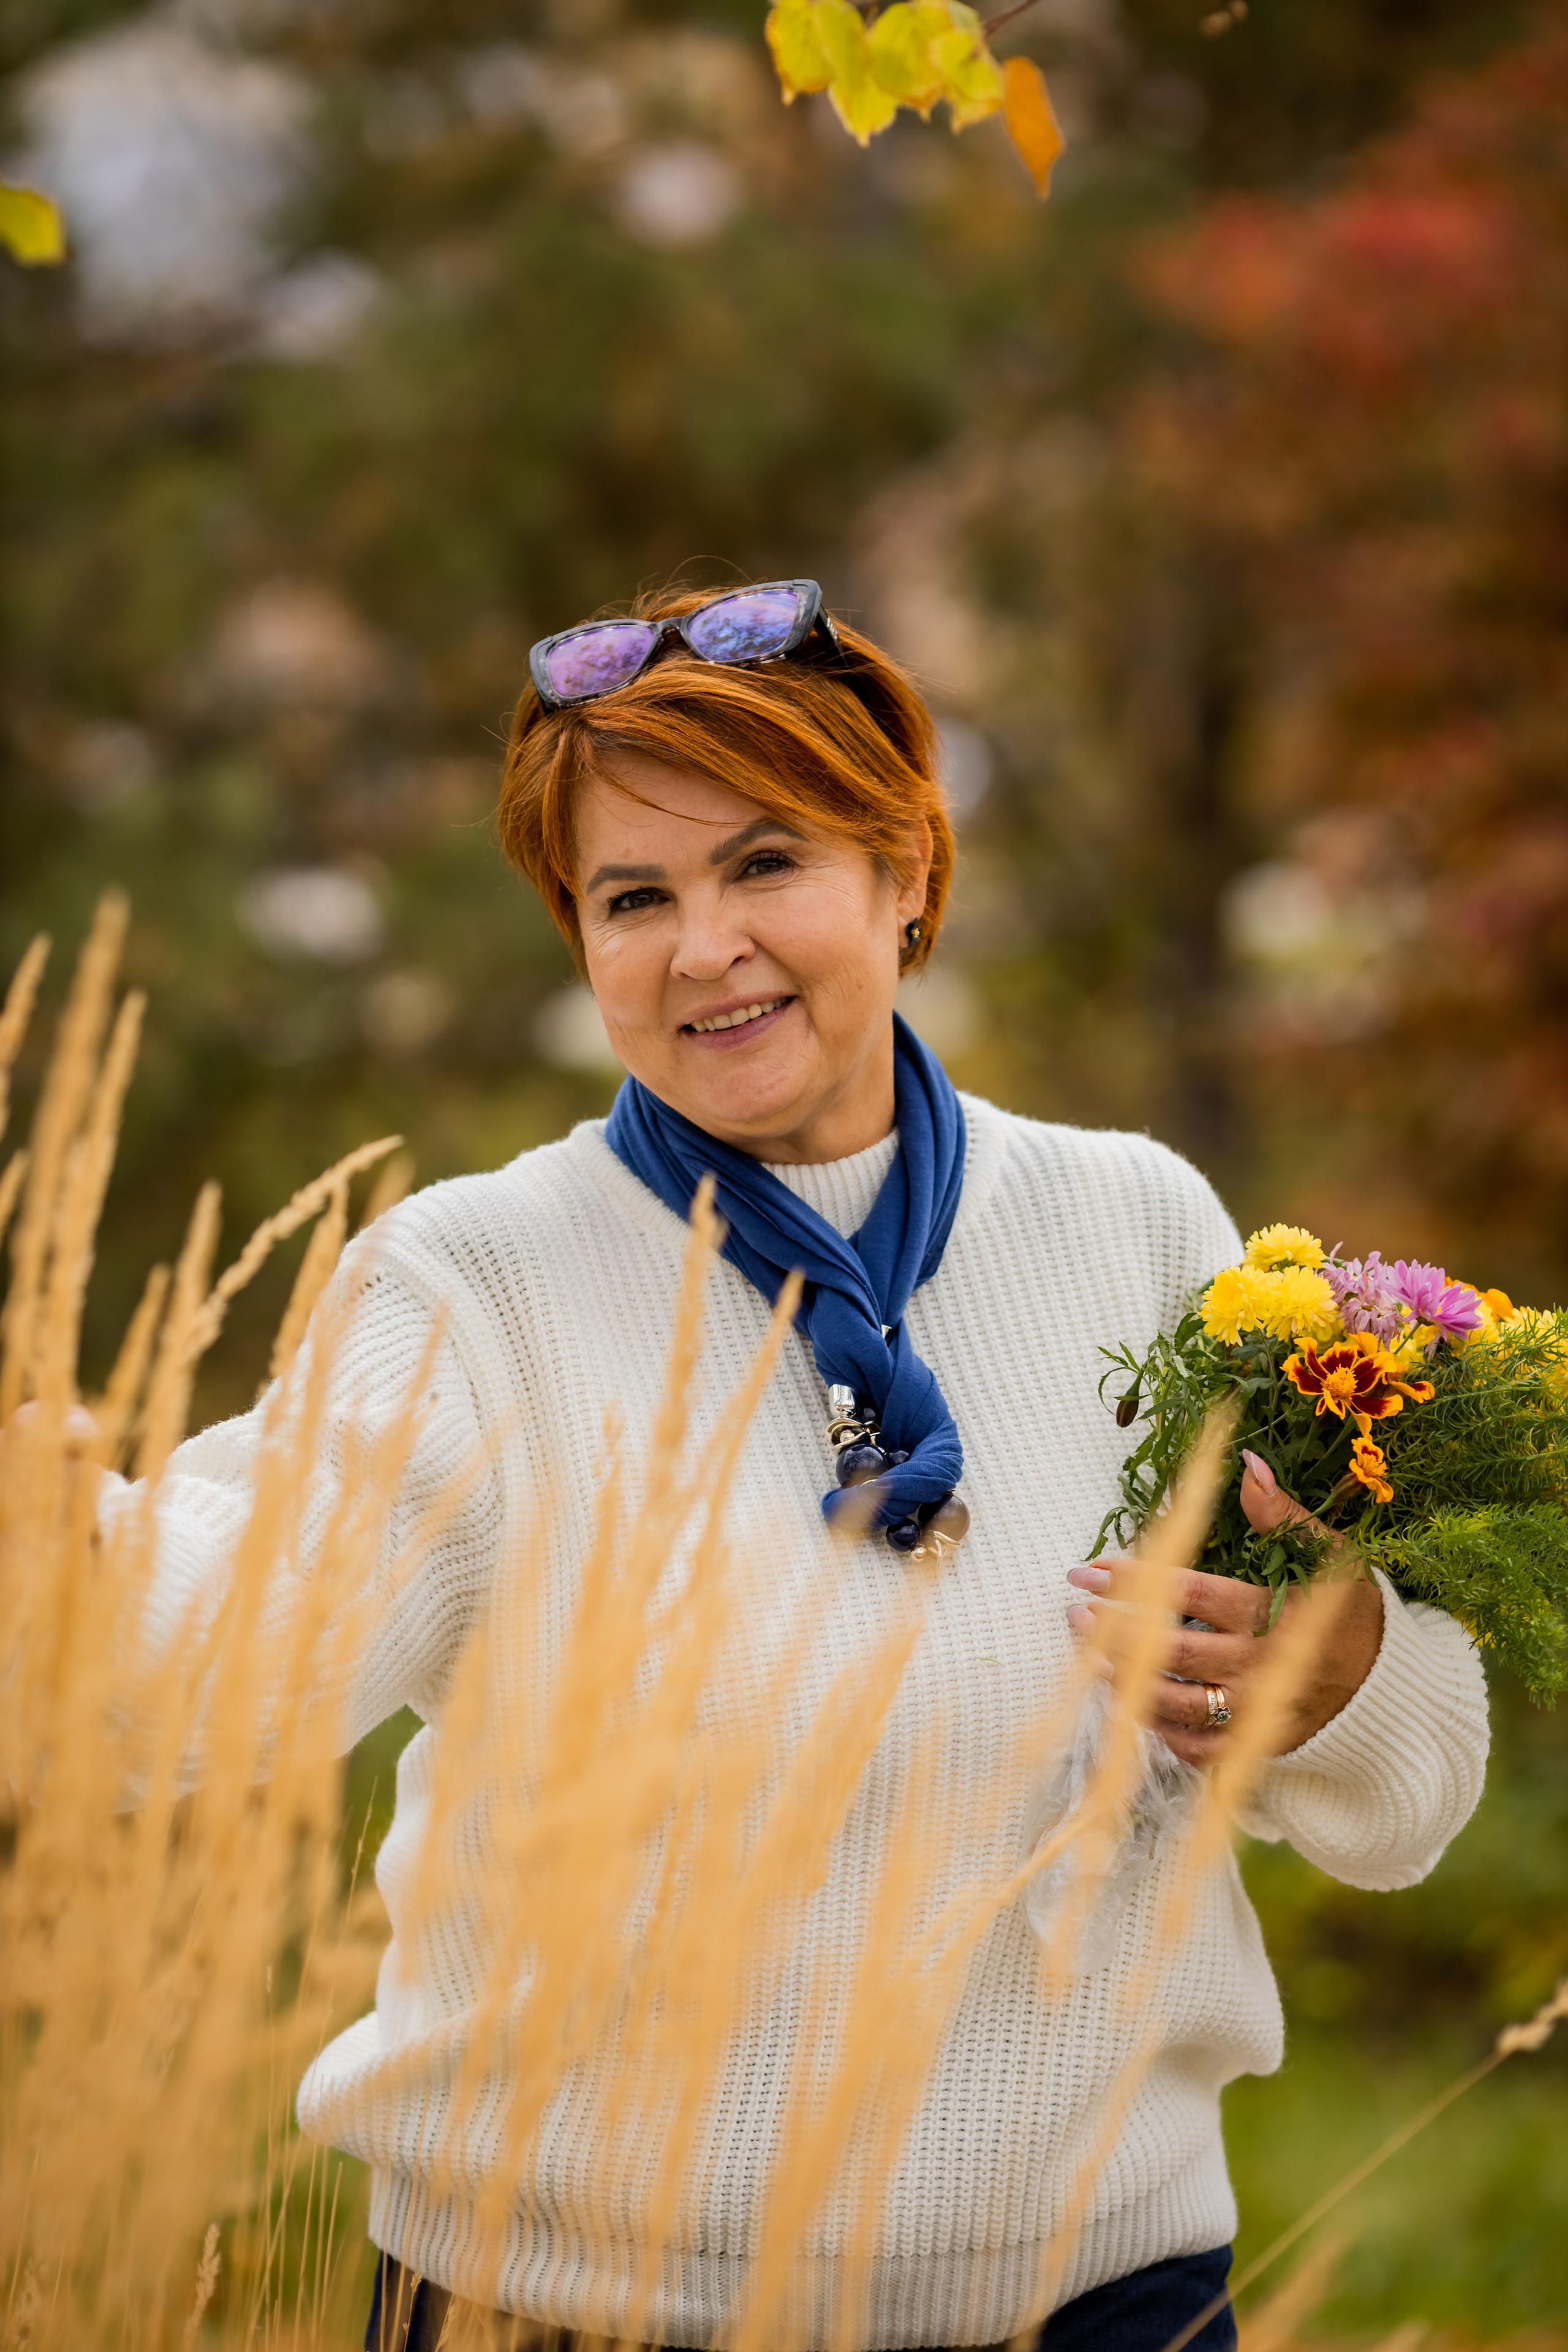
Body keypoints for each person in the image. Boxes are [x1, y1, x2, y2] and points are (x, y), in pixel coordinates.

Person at [117, 584, 1489, 2352]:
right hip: (565, 2318)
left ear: (907, 871)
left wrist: (1348, 1671)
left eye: (767, 866)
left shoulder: (1137, 1225)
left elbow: (1415, 1801)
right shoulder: (482, 1283)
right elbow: (197, 1685)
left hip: (1092, 2311)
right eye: (634, 898)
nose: (705, 950)